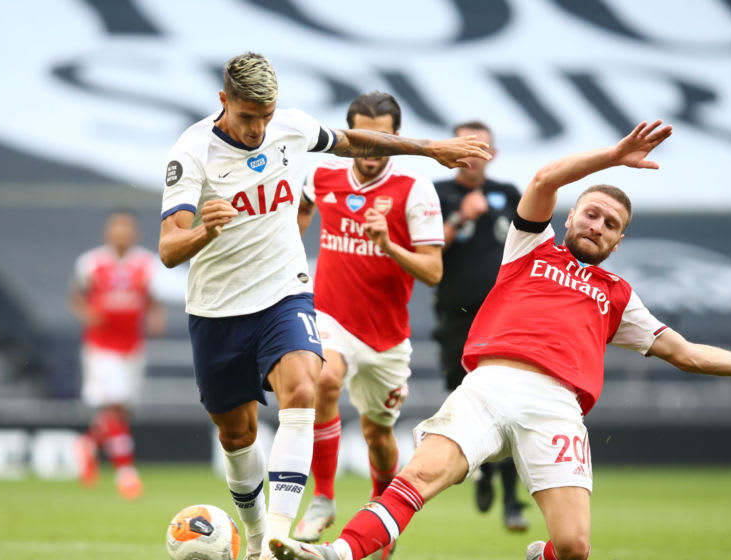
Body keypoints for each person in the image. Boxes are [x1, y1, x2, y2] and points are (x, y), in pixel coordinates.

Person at [266, 120, 731, 560]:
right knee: (420, 477)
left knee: (575, 546)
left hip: (557, 408)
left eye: (610, 224)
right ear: (572, 215)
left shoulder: (618, 296)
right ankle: (337, 553)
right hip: (490, 385)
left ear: (619, 240)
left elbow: (686, 353)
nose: (597, 225)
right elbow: (542, 181)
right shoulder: (531, 247)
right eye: (591, 213)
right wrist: (611, 157)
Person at [158, 52, 489, 560]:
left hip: (283, 294)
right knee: (236, 433)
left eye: (265, 117)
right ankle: (252, 540)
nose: (257, 129)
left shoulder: (289, 127)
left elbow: (353, 141)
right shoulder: (192, 152)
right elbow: (168, 248)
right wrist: (206, 229)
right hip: (218, 309)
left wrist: (428, 148)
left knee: (305, 387)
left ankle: (276, 541)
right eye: (247, 117)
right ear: (224, 101)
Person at [291, 91, 444, 559]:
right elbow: (297, 217)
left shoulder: (415, 190)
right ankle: (323, 498)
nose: (371, 150)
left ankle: (380, 514)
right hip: (330, 315)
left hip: (387, 338)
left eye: (382, 140)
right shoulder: (322, 173)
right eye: (363, 139)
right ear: (349, 133)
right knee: (325, 378)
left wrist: (388, 243)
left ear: (396, 137)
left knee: (379, 436)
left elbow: (433, 271)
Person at [433, 120, 527, 531]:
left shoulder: (508, 195)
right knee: (465, 399)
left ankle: (511, 500)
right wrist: (457, 217)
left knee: (507, 400)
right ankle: (484, 473)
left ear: (494, 154)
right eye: (464, 147)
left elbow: (531, 244)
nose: (472, 156)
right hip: (455, 317)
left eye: (481, 148)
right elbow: (425, 252)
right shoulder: (436, 194)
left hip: (504, 317)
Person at [70, 208, 165, 500]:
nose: (122, 232)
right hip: (101, 345)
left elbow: (152, 298)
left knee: (122, 408)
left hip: (132, 345)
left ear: (135, 232)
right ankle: (127, 474)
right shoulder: (91, 263)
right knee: (112, 405)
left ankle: (87, 443)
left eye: (127, 227)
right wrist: (87, 313)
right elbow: (76, 295)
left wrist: (155, 316)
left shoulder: (146, 263)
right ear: (107, 232)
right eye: (117, 227)